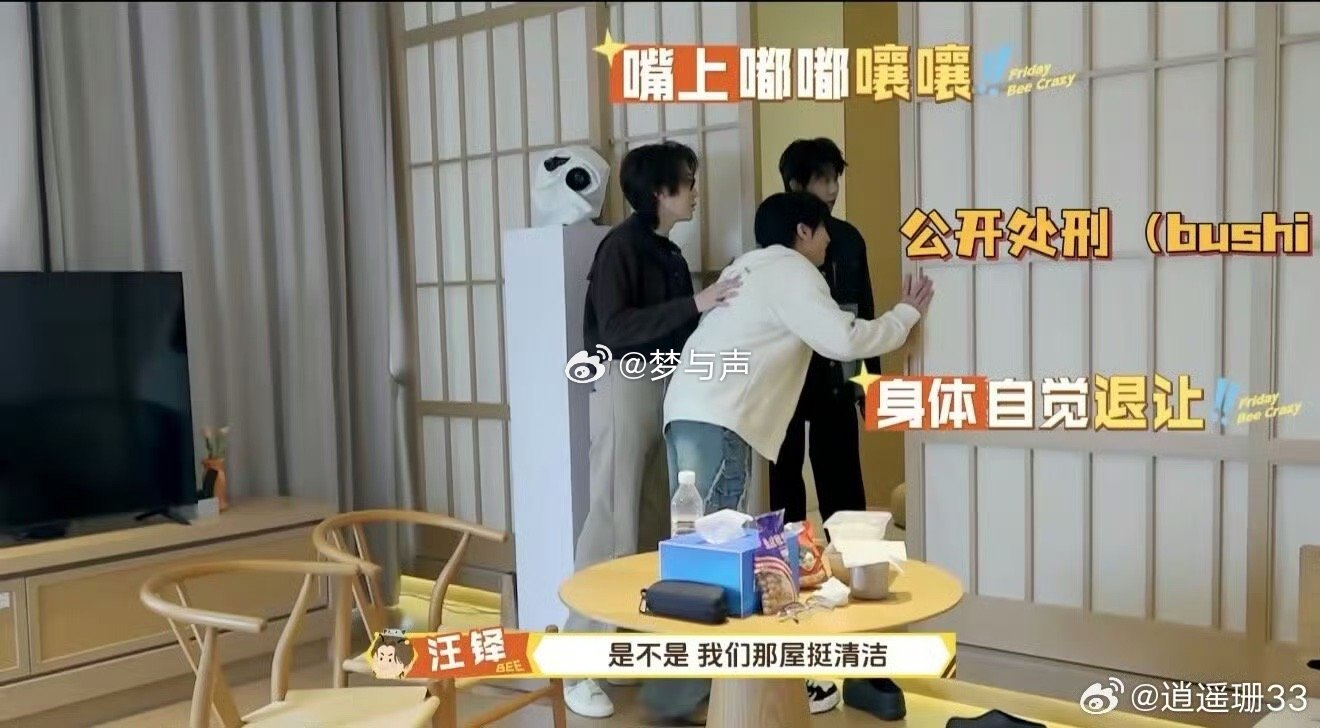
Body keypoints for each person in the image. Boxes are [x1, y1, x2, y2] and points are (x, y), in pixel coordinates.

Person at [640, 191, 935, 722]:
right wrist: (905, 314)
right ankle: (685, 697)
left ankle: (680, 692)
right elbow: (842, 339)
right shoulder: (793, 272)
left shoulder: (749, 267)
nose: (829, 240)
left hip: (689, 410)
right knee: (713, 554)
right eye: (824, 229)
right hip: (720, 416)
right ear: (803, 231)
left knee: (695, 547)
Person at [563, 140, 741, 719]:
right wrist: (698, 302)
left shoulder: (668, 252)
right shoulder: (621, 246)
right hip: (626, 383)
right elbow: (616, 328)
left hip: (665, 384)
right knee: (611, 516)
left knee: (648, 523)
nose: (696, 191)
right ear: (661, 192)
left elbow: (682, 327)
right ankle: (576, 662)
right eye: (688, 182)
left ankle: (623, 648)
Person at [771, 137, 880, 527]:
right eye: (823, 180)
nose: (833, 189)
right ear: (796, 184)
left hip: (836, 375)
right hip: (783, 377)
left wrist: (869, 384)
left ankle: (850, 556)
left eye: (836, 179)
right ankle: (785, 556)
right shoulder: (772, 235)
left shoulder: (847, 239)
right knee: (782, 484)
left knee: (843, 484)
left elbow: (864, 314)